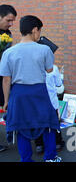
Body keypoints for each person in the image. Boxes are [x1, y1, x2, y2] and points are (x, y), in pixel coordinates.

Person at [0, 15, 61, 162]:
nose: (39, 34)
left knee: (21, 127)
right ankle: (50, 158)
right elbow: (49, 70)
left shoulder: (8, 52)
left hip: (18, 93)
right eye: (39, 31)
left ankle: (26, 159)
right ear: (35, 30)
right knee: (48, 124)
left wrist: (6, 101)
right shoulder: (45, 49)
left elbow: (6, 79)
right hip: (39, 91)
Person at [34, 65, 65, 153]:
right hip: (51, 101)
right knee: (54, 123)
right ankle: (57, 143)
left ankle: (39, 144)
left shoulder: (32, 67)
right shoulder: (53, 68)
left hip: (36, 100)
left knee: (37, 122)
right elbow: (59, 85)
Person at [0, 4, 17, 153]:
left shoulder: (8, 34)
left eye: (12, 21)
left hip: (3, 75)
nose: (11, 24)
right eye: (8, 20)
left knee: (6, 104)